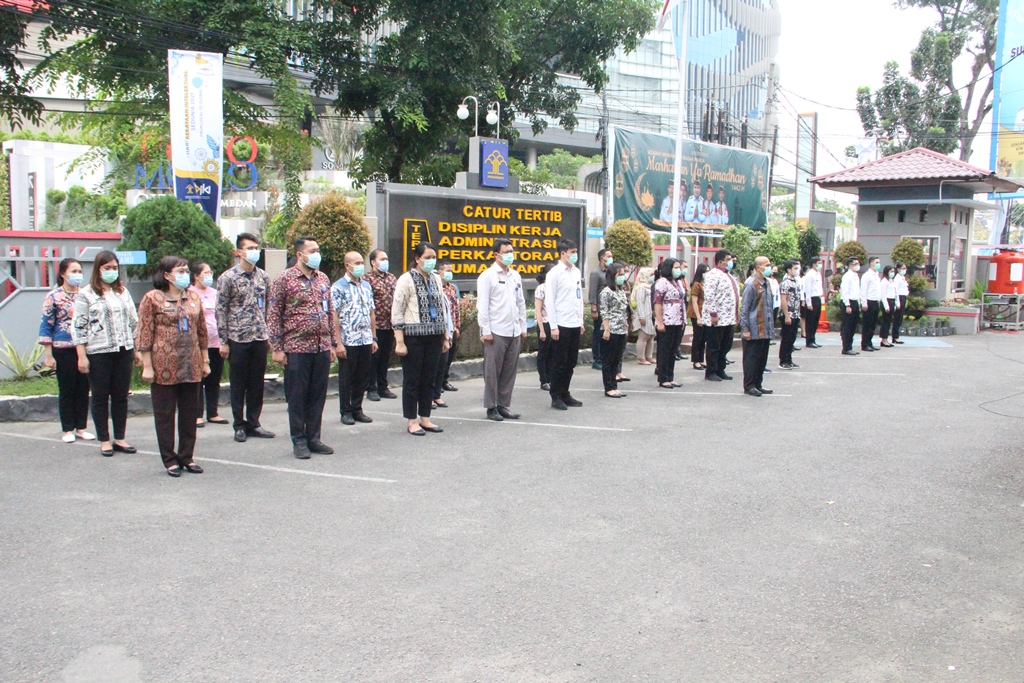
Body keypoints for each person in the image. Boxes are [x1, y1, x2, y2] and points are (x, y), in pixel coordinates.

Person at [136, 256, 210, 477]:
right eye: (180, 271)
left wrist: (205, 361)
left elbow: (202, 332)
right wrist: (147, 365)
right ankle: (169, 459)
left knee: (189, 413)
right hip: (164, 365)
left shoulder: (193, 297)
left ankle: (187, 456)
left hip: (191, 363)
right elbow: (144, 334)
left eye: (186, 270)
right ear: (167, 275)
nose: (184, 274)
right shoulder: (153, 298)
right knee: (165, 414)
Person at [267, 236, 338, 459]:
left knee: (318, 395)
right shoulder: (284, 279)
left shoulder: (322, 279)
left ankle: (314, 438)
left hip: (321, 347)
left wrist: (333, 343)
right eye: (313, 250)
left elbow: (329, 312)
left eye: (318, 249)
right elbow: (273, 314)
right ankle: (299, 440)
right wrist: (277, 348)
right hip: (296, 347)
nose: (317, 254)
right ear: (300, 254)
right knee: (297, 396)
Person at [72, 251, 138, 458]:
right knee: (100, 397)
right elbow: (79, 326)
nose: (111, 272)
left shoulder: (122, 292)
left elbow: (133, 322)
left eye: (114, 268)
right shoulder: (86, 294)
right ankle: (104, 440)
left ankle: (120, 437)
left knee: (121, 396)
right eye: (106, 268)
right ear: (98, 269)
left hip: (123, 350)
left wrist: (136, 349)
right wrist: (81, 356)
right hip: (99, 352)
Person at [216, 232, 275, 443]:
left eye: (256, 247)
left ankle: (254, 422)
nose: (254, 251)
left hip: (259, 336)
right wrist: (223, 340)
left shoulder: (264, 277)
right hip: (237, 337)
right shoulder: (228, 278)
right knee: (239, 383)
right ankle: (239, 424)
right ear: (239, 252)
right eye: (249, 248)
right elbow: (221, 310)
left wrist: (268, 334)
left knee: (257, 383)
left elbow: (269, 307)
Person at [392, 242, 451, 435]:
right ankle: (412, 420)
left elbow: (442, 308)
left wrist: (445, 336)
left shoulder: (436, 278)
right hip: (413, 337)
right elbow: (397, 310)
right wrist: (399, 340)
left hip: (435, 336)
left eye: (433, 257)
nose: (431, 261)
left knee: (429, 378)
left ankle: (425, 417)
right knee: (412, 380)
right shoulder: (406, 279)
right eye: (427, 257)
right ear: (417, 259)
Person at [39, 257, 94, 443]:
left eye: (80, 271)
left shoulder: (86, 294)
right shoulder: (53, 296)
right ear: (63, 273)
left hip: (85, 348)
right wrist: (48, 355)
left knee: (83, 388)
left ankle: (81, 427)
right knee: (67, 388)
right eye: (74, 271)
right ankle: (68, 428)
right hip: (63, 348)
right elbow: (46, 325)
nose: (78, 275)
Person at [477, 238, 528, 421]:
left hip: (513, 330)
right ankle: (491, 407)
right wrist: (485, 330)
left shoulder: (515, 276)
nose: (510, 255)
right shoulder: (487, 276)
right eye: (506, 252)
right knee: (492, 371)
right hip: (496, 331)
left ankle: (503, 405)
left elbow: (520, 302)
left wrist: (522, 326)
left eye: (511, 251)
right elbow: (482, 305)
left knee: (509, 371)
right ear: (496, 254)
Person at [331, 251, 377, 426]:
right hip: (348, 340)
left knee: (362, 376)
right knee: (347, 378)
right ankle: (346, 411)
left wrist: (374, 338)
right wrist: (338, 343)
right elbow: (334, 316)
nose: (360, 266)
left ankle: (357, 409)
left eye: (361, 262)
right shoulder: (338, 287)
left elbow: (372, 312)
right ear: (347, 266)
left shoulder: (366, 286)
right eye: (356, 263)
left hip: (365, 339)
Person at [545, 238, 585, 411]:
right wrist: (553, 326)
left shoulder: (575, 271)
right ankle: (555, 395)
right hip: (561, 324)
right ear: (563, 253)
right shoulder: (554, 273)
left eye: (576, 251)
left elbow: (579, 297)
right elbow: (549, 300)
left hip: (574, 322)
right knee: (559, 362)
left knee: (571, 362)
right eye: (572, 252)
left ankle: (565, 392)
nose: (575, 255)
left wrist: (581, 320)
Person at [190, 261, 228, 427]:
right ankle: (197, 414)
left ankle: (213, 413)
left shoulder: (215, 292)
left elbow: (221, 314)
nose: (209, 275)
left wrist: (223, 340)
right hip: (198, 344)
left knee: (214, 378)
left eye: (210, 272)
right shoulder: (189, 293)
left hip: (216, 341)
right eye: (205, 272)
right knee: (198, 379)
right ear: (196, 276)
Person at [365, 249, 399, 401]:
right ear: (373, 262)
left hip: (389, 325)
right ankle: (371, 388)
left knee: (385, 357)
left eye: (386, 258)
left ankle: (383, 387)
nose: (386, 261)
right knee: (373, 358)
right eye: (382, 259)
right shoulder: (366, 279)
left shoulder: (392, 278)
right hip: (375, 325)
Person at [740, 256, 775, 397]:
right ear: (758, 267)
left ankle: (758, 383)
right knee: (751, 359)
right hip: (754, 328)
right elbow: (745, 308)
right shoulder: (751, 284)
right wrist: (745, 329)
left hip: (765, 328)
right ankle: (749, 385)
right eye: (766, 265)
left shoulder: (767, 283)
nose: (769, 267)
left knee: (761, 359)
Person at [701, 249, 738, 382]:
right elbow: (709, 295)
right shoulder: (713, 274)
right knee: (714, 346)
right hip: (716, 317)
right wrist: (713, 314)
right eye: (728, 259)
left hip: (728, 317)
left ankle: (720, 369)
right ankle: (711, 371)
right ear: (721, 261)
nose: (731, 262)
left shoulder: (728, 275)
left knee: (725, 345)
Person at [653, 258, 686, 389]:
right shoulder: (662, 282)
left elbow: (682, 301)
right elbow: (658, 303)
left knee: (673, 350)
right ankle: (663, 378)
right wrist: (660, 322)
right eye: (676, 267)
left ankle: (670, 376)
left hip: (678, 320)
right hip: (667, 321)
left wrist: (683, 319)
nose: (678, 270)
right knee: (664, 350)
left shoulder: (677, 282)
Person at [600, 261, 630, 398]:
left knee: (616, 360)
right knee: (608, 360)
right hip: (610, 329)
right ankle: (608, 388)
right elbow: (604, 311)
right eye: (620, 274)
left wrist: (626, 325)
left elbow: (623, 310)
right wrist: (606, 329)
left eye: (623, 274)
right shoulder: (606, 292)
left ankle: (614, 385)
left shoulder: (621, 290)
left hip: (621, 329)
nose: (622, 277)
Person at [436, 260, 461, 397]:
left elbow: (456, 308)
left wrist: (457, 326)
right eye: (447, 271)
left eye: (451, 271)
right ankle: (437, 384)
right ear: (440, 272)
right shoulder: (437, 287)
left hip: (453, 328)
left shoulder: (452, 288)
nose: (450, 273)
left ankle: (444, 380)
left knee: (449, 357)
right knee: (440, 358)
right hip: (442, 328)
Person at [588, 247, 613, 370]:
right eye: (608, 256)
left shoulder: (610, 271)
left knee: (606, 334)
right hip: (599, 308)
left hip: (609, 309)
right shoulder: (596, 273)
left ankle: (604, 358)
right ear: (602, 258)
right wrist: (594, 308)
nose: (610, 258)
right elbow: (592, 292)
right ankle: (596, 360)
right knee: (598, 334)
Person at [778, 258, 802, 370]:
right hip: (788, 314)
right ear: (788, 269)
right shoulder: (785, 282)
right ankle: (783, 360)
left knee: (792, 338)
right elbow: (783, 300)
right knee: (786, 338)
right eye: (795, 268)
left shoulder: (796, 281)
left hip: (795, 314)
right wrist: (786, 315)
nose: (797, 270)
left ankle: (789, 359)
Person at [631, 266, 656, 366]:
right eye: (651, 275)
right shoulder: (641, 287)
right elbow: (640, 302)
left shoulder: (650, 286)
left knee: (651, 337)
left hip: (650, 315)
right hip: (644, 315)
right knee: (643, 337)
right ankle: (641, 358)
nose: (652, 277)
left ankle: (649, 356)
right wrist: (642, 316)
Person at [534, 266, 554, 390]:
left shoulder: (556, 287)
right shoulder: (541, 288)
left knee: (553, 353)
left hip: (555, 324)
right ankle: (544, 380)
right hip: (545, 323)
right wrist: (541, 329)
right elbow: (538, 310)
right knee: (544, 353)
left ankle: (551, 378)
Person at [688, 263, 709, 370]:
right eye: (706, 271)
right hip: (697, 314)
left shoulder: (706, 283)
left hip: (705, 313)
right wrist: (698, 317)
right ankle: (695, 360)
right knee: (698, 337)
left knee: (703, 338)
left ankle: (700, 359)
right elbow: (694, 301)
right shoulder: (696, 284)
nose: (708, 274)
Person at [840, 257, 862, 356]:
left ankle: (850, 346)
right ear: (850, 265)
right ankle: (846, 347)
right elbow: (845, 291)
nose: (857, 265)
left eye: (858, 263)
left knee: (853, 326)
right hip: (848, 302)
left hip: (855, 301)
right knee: (847, 326)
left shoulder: (855, 276)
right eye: (855, 263)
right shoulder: (847, 276)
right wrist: (847, 304)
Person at [860, 256, 882, 352]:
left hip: (875, 301)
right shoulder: (867, 275)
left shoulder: (876, 275)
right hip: (869, 301)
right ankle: (865, 344)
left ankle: (869, 342)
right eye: (877, 262)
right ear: (871, 263)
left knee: (873, 324)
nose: (878, 264)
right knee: (867, 324)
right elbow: (863, 290)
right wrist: (864, 303)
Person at [802, 256, 824, 348]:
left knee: (815, 321)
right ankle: (809, 340)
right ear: (814, 264)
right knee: (810, 321)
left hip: (817, 298)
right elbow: (808, 289)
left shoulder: (818, 274)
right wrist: (809, 303)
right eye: (818, 263)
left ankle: (813, 339)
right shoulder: (810, 274)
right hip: (812, 299)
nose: (820, 265)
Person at [879, 265, 901, 347]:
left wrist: (896, 304)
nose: (893, 273)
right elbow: (883, 295)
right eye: (891, 271)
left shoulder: (892, 281)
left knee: (888, 322)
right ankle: (883, 339)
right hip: (887, 301)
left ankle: (886, 338)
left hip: (892, 301)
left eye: (893, 271)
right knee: (885, 322)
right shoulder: (884, 282)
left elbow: (895, 293)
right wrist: (886, 306)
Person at [892, 262, 909, 344]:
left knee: (900, 318)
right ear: (898, 269)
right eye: (903, 268)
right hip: (899, 298)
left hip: (903, 297)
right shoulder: (897, 278)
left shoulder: (902, 277)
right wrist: (897, 303)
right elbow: (896, 291)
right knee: (897, 318)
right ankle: (895, 336)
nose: (904, 270)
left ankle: (896, 336)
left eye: (905, 268)